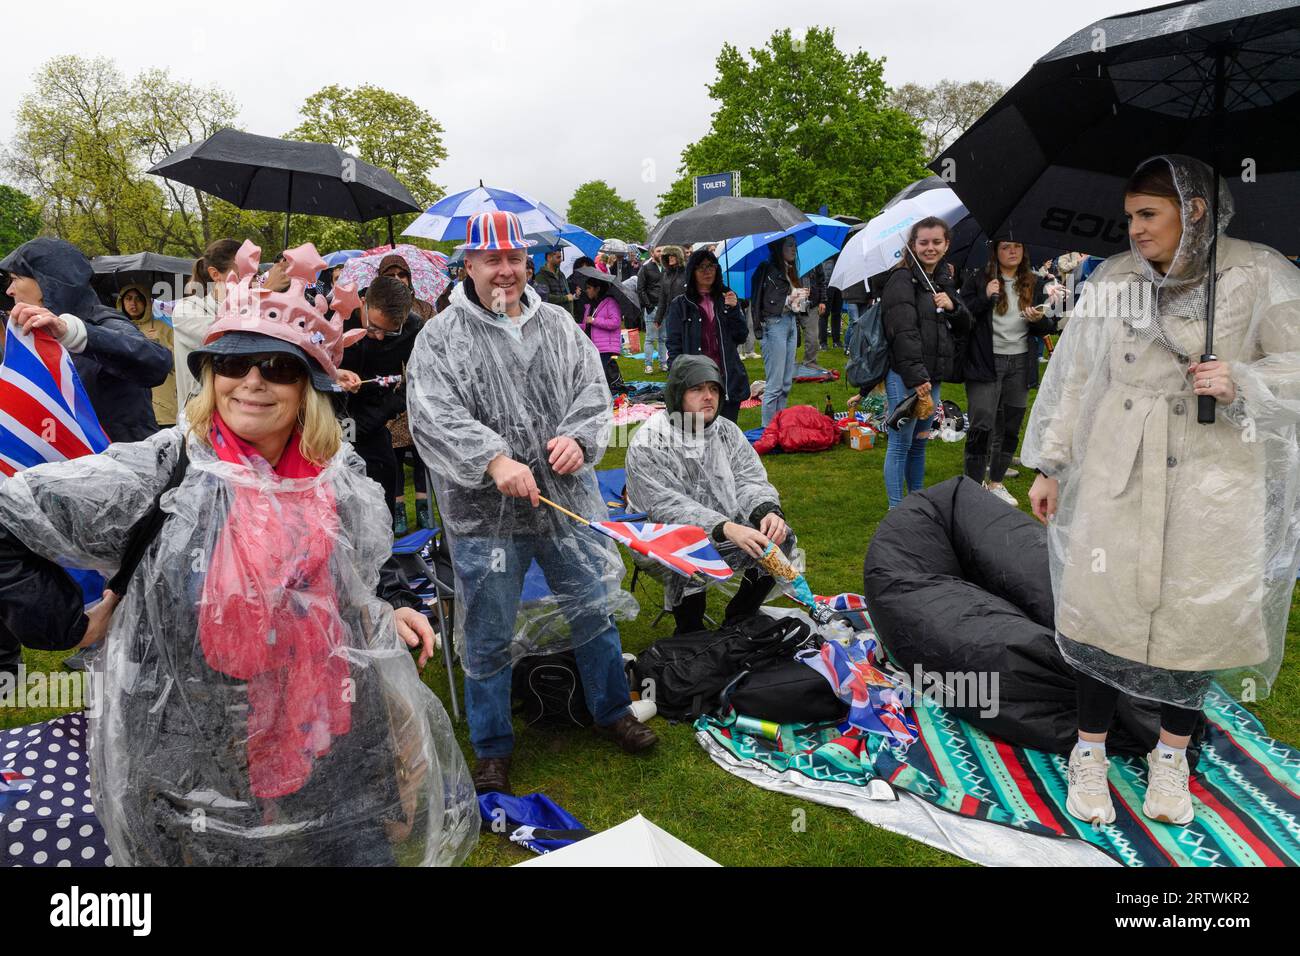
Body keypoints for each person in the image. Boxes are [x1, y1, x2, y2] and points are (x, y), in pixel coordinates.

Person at [0, 243, 477, 866]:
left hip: (338, 744)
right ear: (210, 376)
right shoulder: (164, 471)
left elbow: (359, 566)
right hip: (200, 764)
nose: (252, 380)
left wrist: (385, 604)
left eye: (278, 367)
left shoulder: (337, 478)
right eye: (233, 363)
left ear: (309, 387)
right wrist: (64, 618)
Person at [1024, 154, 1300, 828]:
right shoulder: (1116, 280)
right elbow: (1078, 377)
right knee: (1099, 608)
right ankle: (1087, 751)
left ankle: (1171, 755)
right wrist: (1051, 463)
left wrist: (1244, 381)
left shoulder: (1260, 274)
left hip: (1217, 476)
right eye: (1130, 218)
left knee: (1197, 616)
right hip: (1121, 467)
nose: (1137, 230)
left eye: (1149, 214)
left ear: (1195, 209)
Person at [406, 211, 656, 797]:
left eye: (514, 259)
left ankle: (611, 710)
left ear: (528, 262)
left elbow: (593, 394)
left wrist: (579, 439)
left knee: (592, 605)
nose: (506, 271)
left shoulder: (561, 326)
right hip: (483, 513)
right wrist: (493, 461)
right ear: (468, 264)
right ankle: (492, 746)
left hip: (563, 501)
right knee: (488, 629)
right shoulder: (441, 337)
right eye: (492, 260)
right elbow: (433, 415)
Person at [625, 356, 794, 633]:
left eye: (714, 389)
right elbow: (664, 507)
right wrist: (724, 528)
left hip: (726, 527)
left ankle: (739, 618)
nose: (708, 397)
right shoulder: (649, 441)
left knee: (780, 538)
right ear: (678, 394)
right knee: (687, 556)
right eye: (697, 389)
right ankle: (690, 631)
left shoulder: (726, 431)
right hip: (663, 538)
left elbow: (748, 479)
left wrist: (766, 510)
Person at [2, 238, 172, 443]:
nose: (9, 290)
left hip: (120, 466)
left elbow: (156, 362)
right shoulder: (34, 333)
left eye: (15, 279)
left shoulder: (102, 321)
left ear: (46, 282)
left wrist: (72, 333)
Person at [959, 235, 1060, 505]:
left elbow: (1049, 324)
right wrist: (985, 297)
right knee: (982, 425)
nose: (1012, 251)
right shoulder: (979, 280)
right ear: (995, 252)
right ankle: (973, 484)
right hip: (985, 362)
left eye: (1017, 246)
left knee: (1011, 425)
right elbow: (961, 317)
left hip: (1020, 362)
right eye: (1006, 247)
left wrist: (1039, 320)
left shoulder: (1035, 281)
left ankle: (996, 482)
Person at [879, 217, 971, 509]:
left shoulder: (942, 280)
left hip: (933, 377)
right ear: (913, 245)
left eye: (936, 242)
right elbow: (902, 332)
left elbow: (967, 323)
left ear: (946, 245)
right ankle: (897, 508)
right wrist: (918, 379)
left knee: (919, 442)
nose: (930, 248)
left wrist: (952, 306)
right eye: (924, 242)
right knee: (900, 444)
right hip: (907, 379)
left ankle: (917, 503)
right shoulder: (902, 279)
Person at [334, 276, 424, 534]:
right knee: (339, 505)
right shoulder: (339, 316)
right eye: (373, 327)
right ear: (363, 302)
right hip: (332, 422)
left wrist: (386, 409)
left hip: (374, 422)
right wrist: (332, 377)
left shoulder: (414, 329)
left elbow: (417, 381)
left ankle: (384, 560)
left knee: (380, 497)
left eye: (391, 330)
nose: (380, 337)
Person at [664, 248, 750, 423]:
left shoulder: (727, 299)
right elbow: (674, 345)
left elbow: (741, 336)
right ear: (692, 271)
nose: (707, 271)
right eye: (701, 267)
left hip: (727, 378)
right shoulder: (680, 304)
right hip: (696, 377)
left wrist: (733, 309)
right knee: (698, 435)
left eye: (711, 266)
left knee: (727, 433)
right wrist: (677, 377)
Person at [173, 238, 243, 409]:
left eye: (255, 274)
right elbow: (229, 341)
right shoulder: (187, 308)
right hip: (200, 419)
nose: (253, 281)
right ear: (215, 274)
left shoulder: (253, 310)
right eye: (245, 274)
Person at [750, 236, 806, 425]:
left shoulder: (790, 271)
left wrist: (802, 299)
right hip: (774, 326)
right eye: (789, 245)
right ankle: (768, 430)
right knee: (774, 384)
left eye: (795, 245)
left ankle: (779, 426)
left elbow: (796, 306)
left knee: (786, 383)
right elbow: (762, 303)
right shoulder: (766, 270)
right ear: (778, 247)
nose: (794, 249)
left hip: (790, 323)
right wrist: (789, 300)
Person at [117, 283, 178, 428]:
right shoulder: (116, 329)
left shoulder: (163, 328)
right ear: (122, 302)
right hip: (129, 407)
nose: (133, 303)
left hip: (163, 407)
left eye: (138, 298)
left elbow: (180, 362)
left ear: (146, 302)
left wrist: (160, 345)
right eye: (128, 298)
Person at [580, 272, 626, 396]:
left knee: (602, 376)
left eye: (589, 288)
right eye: (586, 288)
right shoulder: (590, 306)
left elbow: (615, 322)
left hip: (605, 347)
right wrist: (573, 326)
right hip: (593, 346)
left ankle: (606, 397)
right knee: (595, 376)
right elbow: (587, 325)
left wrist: (594, 320)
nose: (587, 291)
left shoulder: (610, 302)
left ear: (597, 288)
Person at [637, 246, 665, 374]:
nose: (661, 253)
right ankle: (648, 365)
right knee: (650, 338)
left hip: (665, 307)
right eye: (658, 251)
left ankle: (663, 363)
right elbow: (640, 289)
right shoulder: (645, 268)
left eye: (663, 251)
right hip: (652, 307)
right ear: (652, 253)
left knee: (663, 338)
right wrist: (649, 305)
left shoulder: (667, 268)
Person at [534, 246, 572, 310]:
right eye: (558, 257)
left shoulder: (561, 274)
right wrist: (565, 298)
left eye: (561, 257)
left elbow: (568, 294)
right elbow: (545, 297)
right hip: (552, 316)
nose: (561, 260)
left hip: (566, 316)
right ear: (549, 258)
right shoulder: (540, 276)